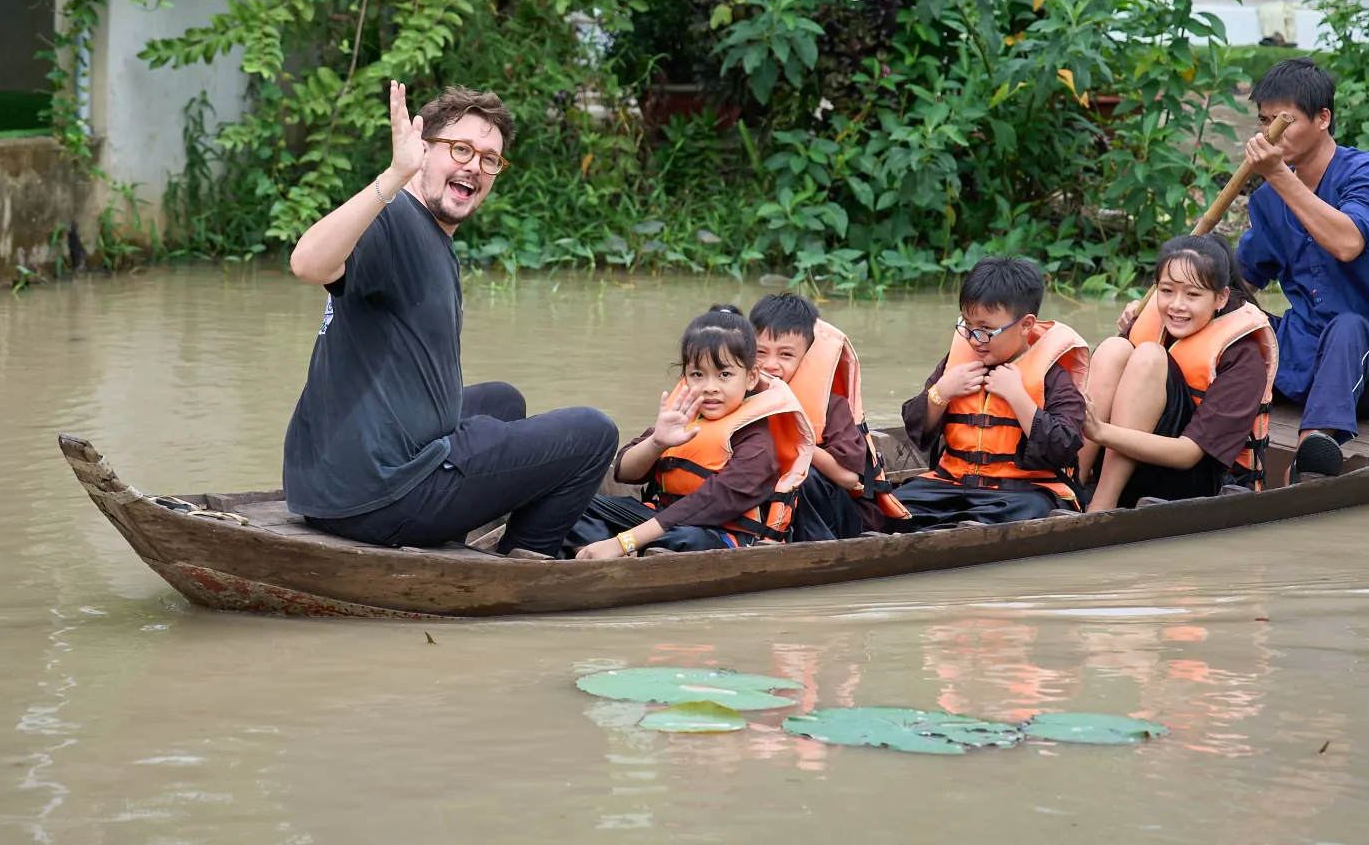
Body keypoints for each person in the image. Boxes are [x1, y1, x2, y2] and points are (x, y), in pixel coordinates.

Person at [284, 81, 618, 557]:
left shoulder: (429, 232)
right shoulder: (392, 218)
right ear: (423, 151)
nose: (474, 166)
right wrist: (393, 176)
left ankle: (448, 529)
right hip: (378, 496)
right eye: (460, 149)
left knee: (502, 402)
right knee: (593, 432)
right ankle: (522, 572)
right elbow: (308, 264)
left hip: (325, 485)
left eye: (489, 159)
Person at [1123, 58, 1369, 481]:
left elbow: (1346, 243)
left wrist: (1280, 176)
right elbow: (1236, 283)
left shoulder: (1365, 173)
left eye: (1285, 120)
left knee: (1347, 327)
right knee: (1208, 309)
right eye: (1265, 120)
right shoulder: (1268, 199)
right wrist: (1166, 305)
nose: (1271, 132)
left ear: (1323, 118)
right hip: (1298, 353)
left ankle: (1312, 452)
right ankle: (1167, 422)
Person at [568, 305, 815, 558]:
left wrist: (623, 542)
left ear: (751, 378)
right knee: (568, 503)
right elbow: (623, 473)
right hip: (658, 521)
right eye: (697, 374)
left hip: (716, 535)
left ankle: (610, 552)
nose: (710, 387)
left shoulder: (757, 442)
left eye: (725, 374)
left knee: (684, 540)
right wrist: (657, 442)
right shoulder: (685, 417)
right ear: (685, 376)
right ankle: (590, 554)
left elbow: (708, 502)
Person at [1080, 235, 1278, 508]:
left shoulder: (1242, 356)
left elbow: (1188, 454)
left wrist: (1100, 432)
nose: (1176, 305)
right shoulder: (1151, 321)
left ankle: (1101, 505)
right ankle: (1071, 488)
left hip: (1192, 480)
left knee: (1149, 357)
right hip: (1131, 463)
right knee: (1114, 348)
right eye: (1167, 291)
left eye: (1193, 294)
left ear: (1221, 297)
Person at [894, 256, 1089, 529]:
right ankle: (949, 528)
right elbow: (917, 428)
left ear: (1025, 324)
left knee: (1031, 509)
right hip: (950, 486)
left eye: (985, 329)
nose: (974, 339)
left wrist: (1018, 397)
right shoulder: (958, 363)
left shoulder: (1053, 376)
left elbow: (1064, 447)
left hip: (1019, 493)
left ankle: (953, 530)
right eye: (967, 325)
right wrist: (942, 392)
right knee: (891, 505)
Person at [750, 292, 911, 536]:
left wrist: (800, 445)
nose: (771, 365)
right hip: (772, 508)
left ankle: (812, 551)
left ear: (806, 359)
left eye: (786, 355)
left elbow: (848, 478)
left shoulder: (829, 407)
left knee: (806, 476)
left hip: (835, 517)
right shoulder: (738, 398)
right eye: (761, 353)